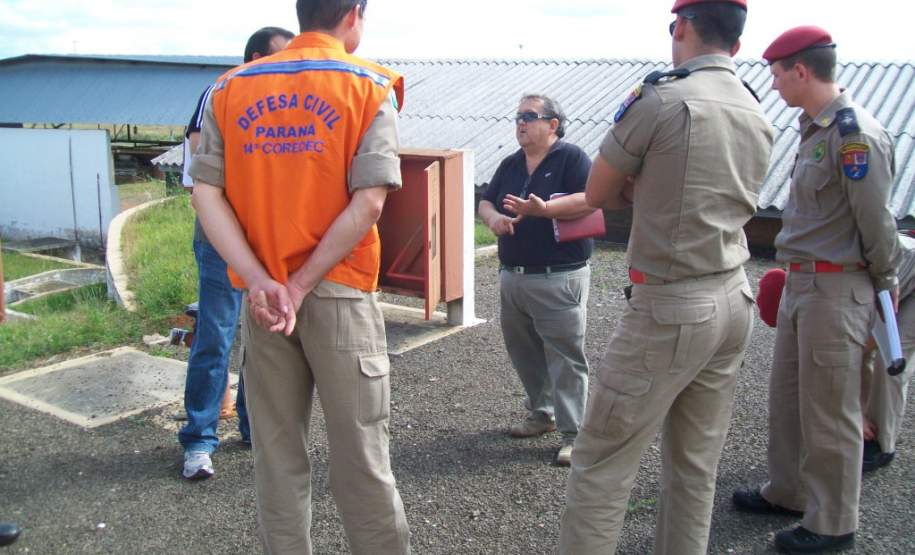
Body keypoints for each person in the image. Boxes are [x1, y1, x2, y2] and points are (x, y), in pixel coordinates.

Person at [189, 0, 410, 552]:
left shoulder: (230, 89)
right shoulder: (370, 86)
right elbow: (368, 205)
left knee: (277, 456)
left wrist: (262, 280)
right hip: (339, 292)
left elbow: (205, 194)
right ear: (354, 13)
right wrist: (300, 284)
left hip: (263, 301)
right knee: (362, 456)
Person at [559, 1, 773, 553]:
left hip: (672, 304)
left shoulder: (662, 98)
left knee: (602, 461)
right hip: (733, 294)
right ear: (738, 44)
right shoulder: (754, 107)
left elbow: (600, 192)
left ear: (681, 26)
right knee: (695, 466)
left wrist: (638, 182)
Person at [732, 25, 900, 553]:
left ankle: (832, 523)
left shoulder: (856, 136)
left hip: (837, 289)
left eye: (778, 73)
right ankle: (789, 492)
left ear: (802, 70)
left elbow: (876, 224)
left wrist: (885, 285)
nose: (775, 84)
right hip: (804, 285)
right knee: (787, 400)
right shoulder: (814, 130)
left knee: (830, 412)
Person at [178, 26, 294, 481]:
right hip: (221, 241)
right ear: (255, 57)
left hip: (267, 241)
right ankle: (199, 440)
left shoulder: (284, 100)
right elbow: (197, 171)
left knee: (263, 338)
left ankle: (253, 426)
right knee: (216, 337)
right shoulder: (222, 92)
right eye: (281, 57)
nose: (290, 65)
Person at [478, 94, 595, 466]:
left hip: (557, 276)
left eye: (529, 116)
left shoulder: (572, 158)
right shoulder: (511, 163)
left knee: (565, 355)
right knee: (524, 351)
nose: (521, 124)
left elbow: (591, 200)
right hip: (514, 276)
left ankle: (576, 435)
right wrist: (493, 218)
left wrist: (545, 210)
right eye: (517, 117)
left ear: (553, 124)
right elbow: (486, 200)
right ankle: (542, 414)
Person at [860, 234, 915, 471]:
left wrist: (850, 413)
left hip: (897, 271)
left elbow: (855, 350)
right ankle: (861, 425)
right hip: (890, 278)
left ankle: (882, 444)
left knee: (892, 357)